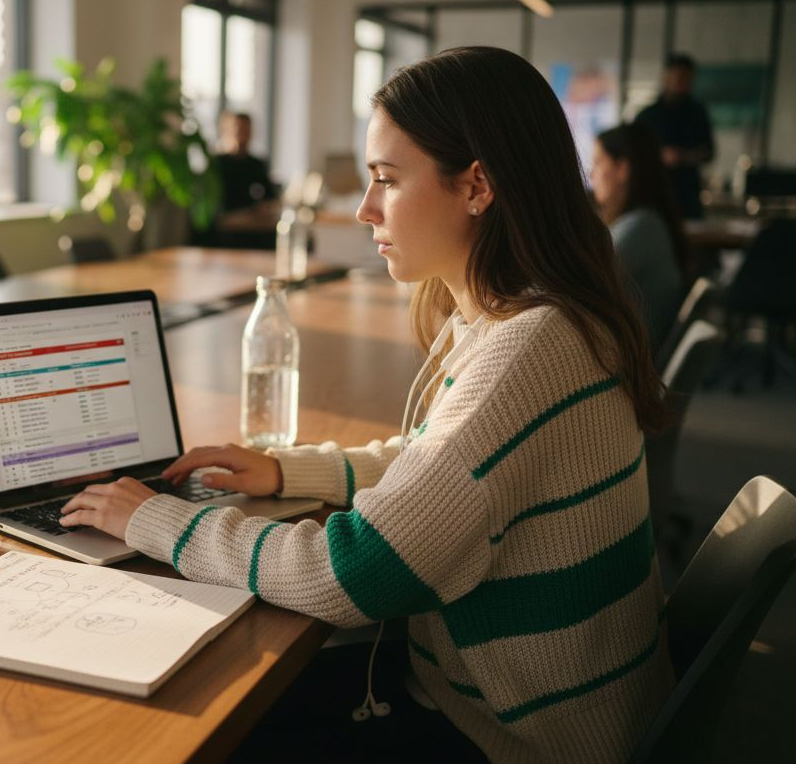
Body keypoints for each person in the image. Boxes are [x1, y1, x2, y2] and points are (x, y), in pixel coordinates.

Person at [61, 46, 674, 763]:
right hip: (513, 702)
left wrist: (154, 519)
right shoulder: (530, 317)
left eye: (387, 179)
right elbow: (439, 470)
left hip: (515, 740)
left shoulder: (527, 352)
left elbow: (350, 575)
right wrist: (286, 472)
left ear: (477, 186)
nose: (363, 208)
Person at [591, 122, 688, 352]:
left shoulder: (642, 226)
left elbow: (583, 279)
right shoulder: (646, 221)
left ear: (622, 169)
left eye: (597, 163)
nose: (591, 174)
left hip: (627, 363)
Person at [634, 54, 715, 219]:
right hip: (653, 194)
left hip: (687, 196)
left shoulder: (697, 114)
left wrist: (682, 157)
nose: (682, 83)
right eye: (678, 77)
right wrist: (659, 156)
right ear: (666, 77)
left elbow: (709, 152)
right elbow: (633, 153)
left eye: (687, 79)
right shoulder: (647, 116)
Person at [194, 111, 280, 249]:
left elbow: (270, 197)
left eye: (246, 130)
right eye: (238, 129)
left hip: (250, 223)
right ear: (227, 132)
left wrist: (261, 210)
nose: (242, 135)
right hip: (223, 225)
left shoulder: (256, 164)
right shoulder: (217, 164)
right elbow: (209, 206)